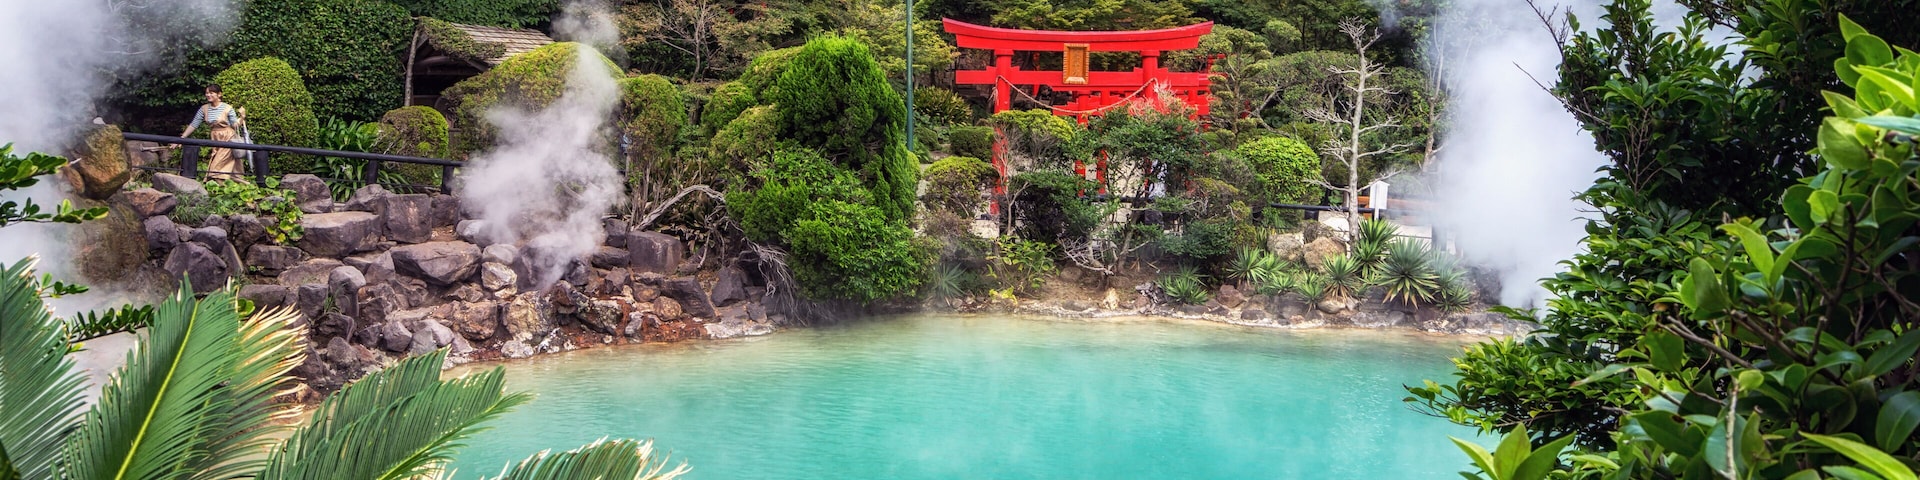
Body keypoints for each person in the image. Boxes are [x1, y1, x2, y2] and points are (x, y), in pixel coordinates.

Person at [179, 84, 246, 180]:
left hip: (228, 138)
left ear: (219, 94)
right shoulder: (204, 108)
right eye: (206, 93)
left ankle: (221, 185)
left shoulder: (227, 108)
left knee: (217, 165)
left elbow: (234, 125)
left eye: (211, 93)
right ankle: (232, 186)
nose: (208, 95)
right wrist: (182, 138)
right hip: (215, 138)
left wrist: (242, 117)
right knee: (225, 164)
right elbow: (194, 124)